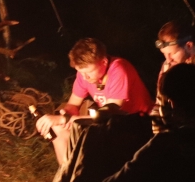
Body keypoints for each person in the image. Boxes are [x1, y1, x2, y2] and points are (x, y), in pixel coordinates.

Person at [34, 37, 153, 165]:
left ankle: (82, 172)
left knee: (79, 131)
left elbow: (110, 114)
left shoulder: (119, 69)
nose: (85, 77)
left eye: (89, 72)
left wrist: (67, 119)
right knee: (58, 128)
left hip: (138, 123)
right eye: (80, 72)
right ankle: (67, 172)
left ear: (104, 62)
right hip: (111, 123)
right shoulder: (84, 75)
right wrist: (65, 114)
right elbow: (73, 104)